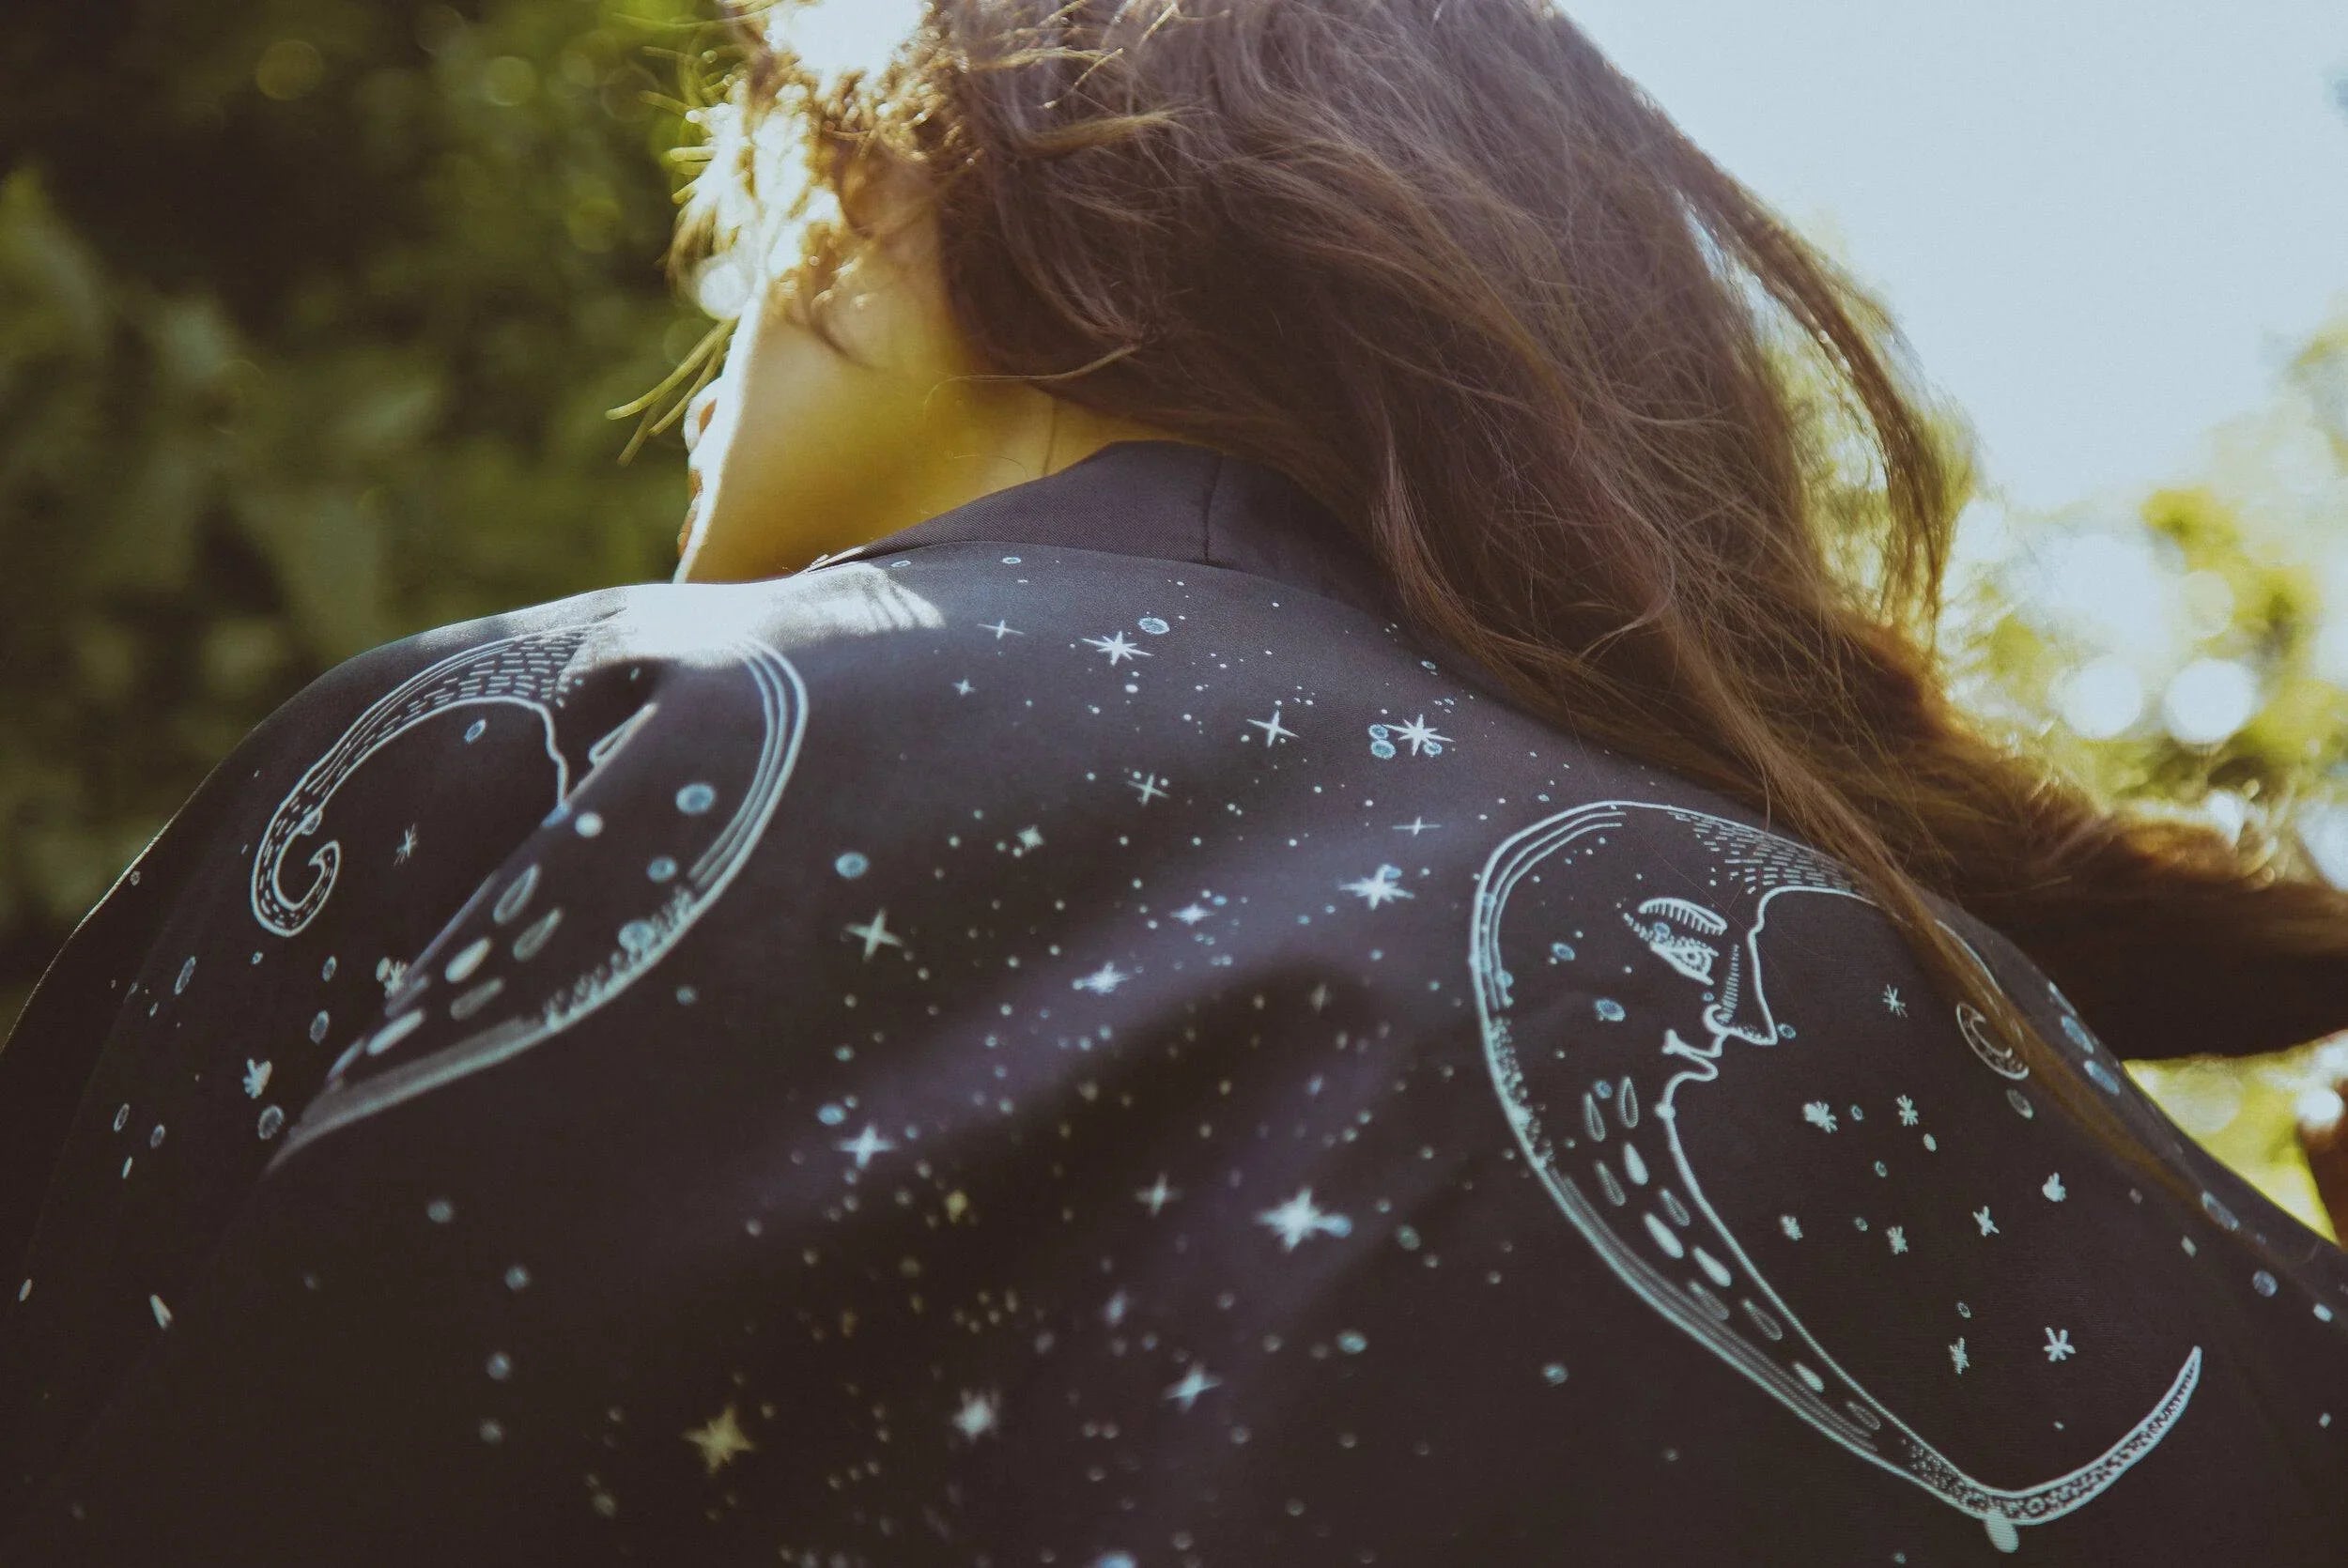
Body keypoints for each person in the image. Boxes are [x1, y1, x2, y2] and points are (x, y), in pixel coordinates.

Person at [3, 1, 2345, 1561]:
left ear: (908, 198)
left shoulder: (562, 753)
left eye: (741, 217)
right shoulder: (2224, 1274)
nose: (716, 324)